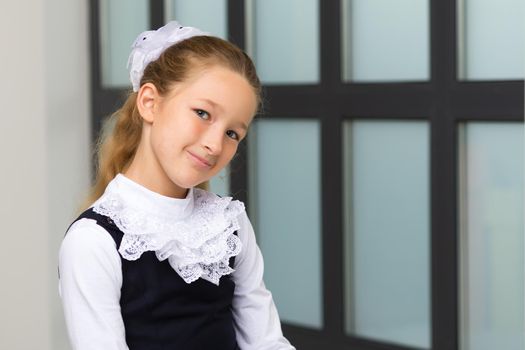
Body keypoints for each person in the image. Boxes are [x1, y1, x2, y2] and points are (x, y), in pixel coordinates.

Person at [58, 21, 295, 350]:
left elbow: (267, 342)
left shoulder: (228, 227)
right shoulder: (93, 241)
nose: (215, 144)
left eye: (232, 134)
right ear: (150, 102)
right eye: (202, 113)